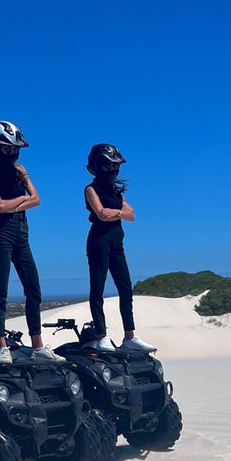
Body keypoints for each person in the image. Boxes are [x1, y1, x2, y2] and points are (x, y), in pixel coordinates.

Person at [0, 120, 65, 364]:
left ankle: (37, 345)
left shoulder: (21, 170)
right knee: (0, 292)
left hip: (22, 235)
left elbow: (37, 199)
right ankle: (1, 346)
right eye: (7, 148)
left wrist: (13, 203)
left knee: (34, 291)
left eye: (14, 149)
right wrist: (21, 201)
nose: (12, 153)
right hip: (1, 236)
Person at [84, 143, 155, 352]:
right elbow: (101, 214)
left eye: (115, 167)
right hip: (98, 241)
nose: (113, 171)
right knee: (97, 289)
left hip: (117, 242)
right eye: (108, 166)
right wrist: (121, 212)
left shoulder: (117, 191)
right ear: (98, 167)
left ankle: (129, 336)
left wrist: (116, 212)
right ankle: (101, 335)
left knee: (125, 288)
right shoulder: (91, 189)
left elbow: (131, 215)